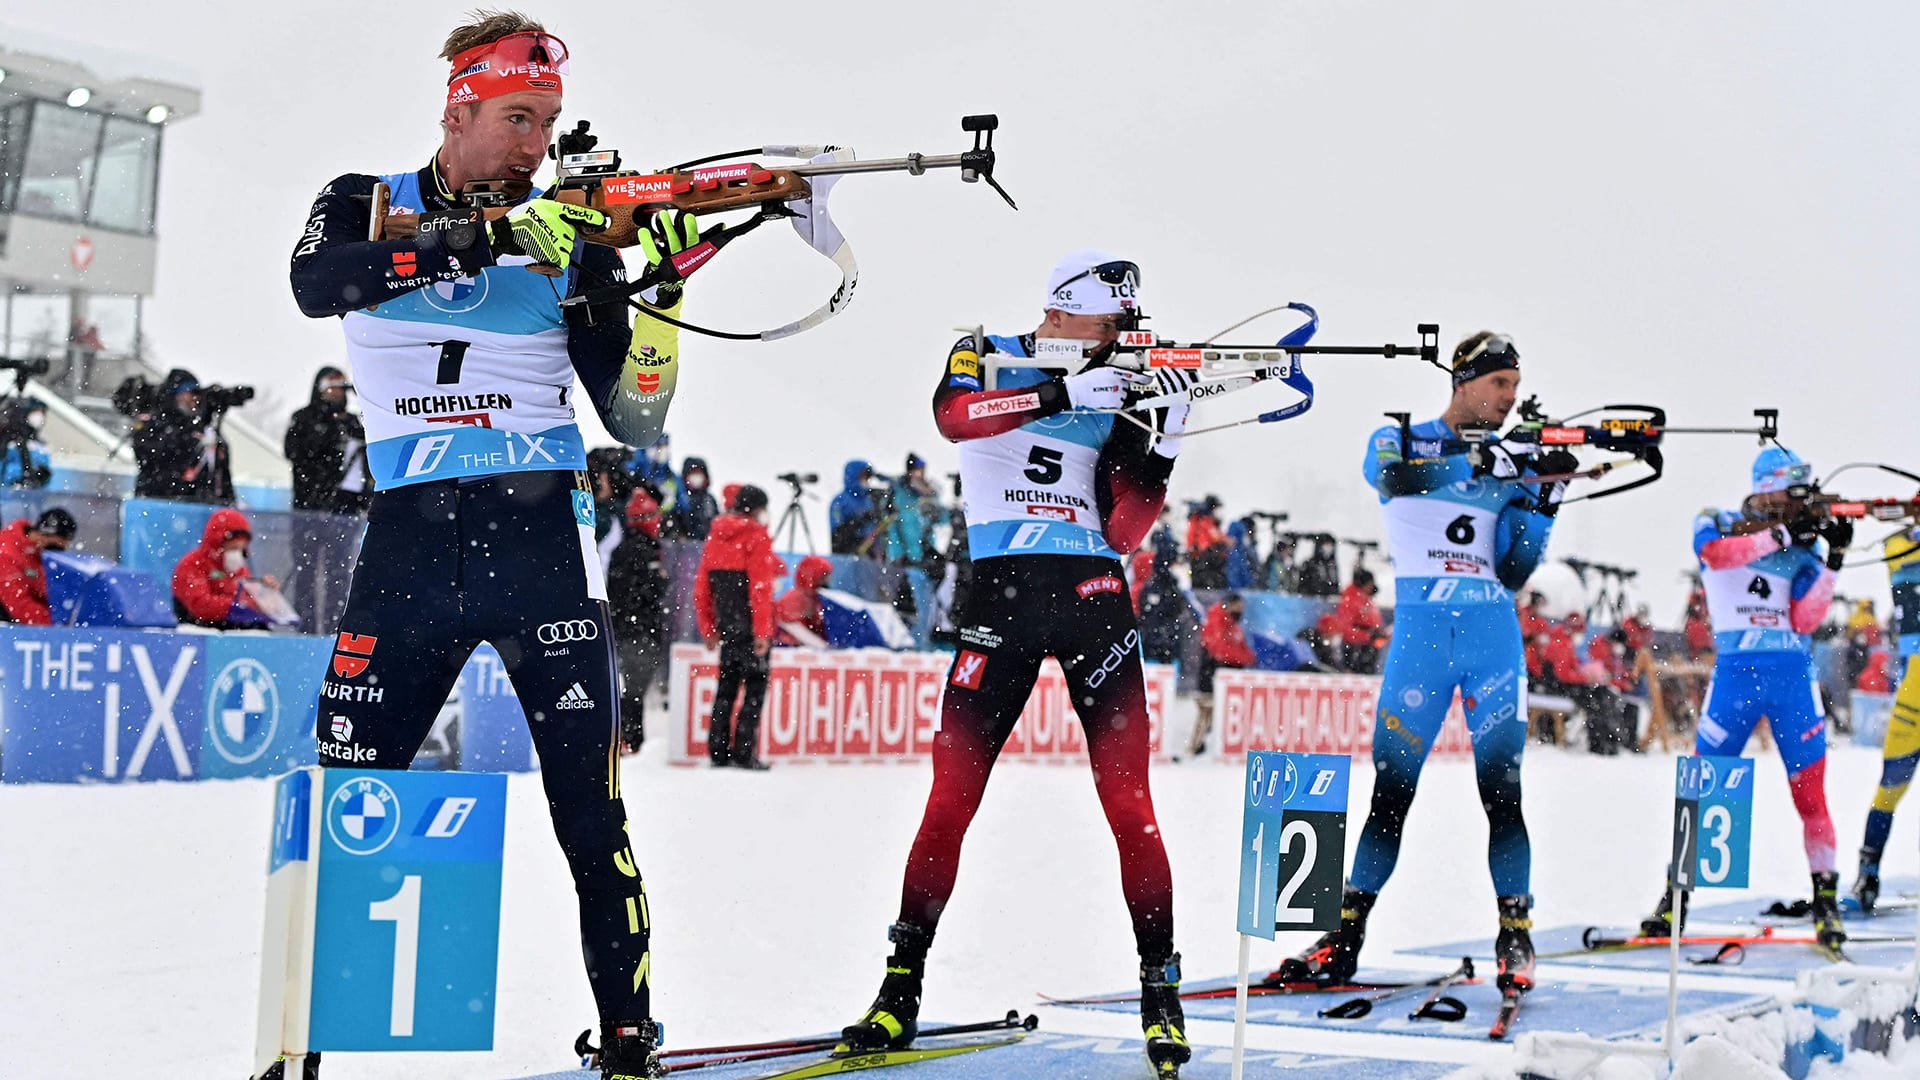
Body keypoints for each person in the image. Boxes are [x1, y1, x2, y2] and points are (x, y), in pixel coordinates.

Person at [285, 11, 696, 1073]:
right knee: (341, 807)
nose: (534, 144)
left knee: (591, 817)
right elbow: (318, 285)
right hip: (408, 555)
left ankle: (629, 1042)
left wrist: (654, 295)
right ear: (457, 110)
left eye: (548, 123)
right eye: (517, 117)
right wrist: (481, 240)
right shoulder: (364, 200)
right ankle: (294, 1051)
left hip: (541, 551)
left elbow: (637, 420)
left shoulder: (572, 237)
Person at [840, 250, 1194, 1078]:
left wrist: (1164, 440)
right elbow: (955, 418)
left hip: (1095, 597)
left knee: (1130, 804)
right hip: (1002, 600)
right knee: (950, 799)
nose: (1116, 338)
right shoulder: (984, 349)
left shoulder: (1122, 382)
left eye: (1125, 327)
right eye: (1107, 323)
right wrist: (1062, 394)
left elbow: (1126, 528)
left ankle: (1161, 991)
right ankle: (899, 988)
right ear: (1062, 310)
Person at [1271, 331, 1570, 1007]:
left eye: (1515, 389)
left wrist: (1543, 498)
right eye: (1499, 385)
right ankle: (1344, 935)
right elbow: (1397, 480)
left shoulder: (1511, 464)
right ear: (1463, 381)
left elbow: (1515, 569)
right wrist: (1481, 459)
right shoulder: (1399, 439)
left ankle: (1515, 935)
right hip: (1422, 644)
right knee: (1390, 795)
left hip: (1491, 640)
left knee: (1503, 794)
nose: (1508, 399)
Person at [1636, 447, 1850, 953]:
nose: (1797, 507)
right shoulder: (1717, 520)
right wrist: (1782, 535)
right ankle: (1675, 900)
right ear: (1768, 489)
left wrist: (1833, 561)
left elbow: (1806, 620)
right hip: (1736, 677)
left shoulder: (1804, 549)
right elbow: (1715, 555)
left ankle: (1826, 900)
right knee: (1703, 788)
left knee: (1811, 797)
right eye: (1790, 496)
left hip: (1791, 680)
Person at [1850, 523, 1920, 912]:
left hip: (1913, 696)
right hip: (1913, 698)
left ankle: (1868, 872)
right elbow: (1898, 543)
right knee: (1889, 790)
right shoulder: (1901, 545)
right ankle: (1868, 872)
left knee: (1889, 791)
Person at [694, 484, 781, 769]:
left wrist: (708, 628)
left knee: (726, 688)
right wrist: (762, 632)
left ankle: (717, 751)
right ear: (757, 509)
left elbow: (702, 589)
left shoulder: (715, 535)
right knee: (755, 689)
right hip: (750, 626)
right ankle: (744, 753)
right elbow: (760, 589)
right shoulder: (756, 535)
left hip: (728, 627)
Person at [283, 367, 371, 632]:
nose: (336, 393)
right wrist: (330, 429)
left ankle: (336, 627)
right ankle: (306, 627)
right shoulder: (304, 419)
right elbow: (294, 452)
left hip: (345, 508)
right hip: (310, 508)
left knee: (339, 572)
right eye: (330, 388)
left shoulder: (354, 423)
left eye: (340, 387)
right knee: (306, 571)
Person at [608, 485, 670, 754]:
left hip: (625, 627)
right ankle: (630, 741)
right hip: (640, 629)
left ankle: (627, 739)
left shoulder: (622, 548)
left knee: (631, 687)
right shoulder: (644, 550)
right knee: (634, 689)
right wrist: (661, 580)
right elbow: (650, 590)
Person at [132, 368, 234, 503]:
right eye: (190, 393)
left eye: (198, 394)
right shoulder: (155, 423)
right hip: (157, 502)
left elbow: (220, 473)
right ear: (175, 395)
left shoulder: (204, 430)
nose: (195, 399)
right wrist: (187, 433)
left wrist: (228, 502)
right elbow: (152, 457)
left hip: (198, 505)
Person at [172, 508, 280, 629]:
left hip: (234, 630)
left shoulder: (240, 570)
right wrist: (240, 606)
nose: (237, 554)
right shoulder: (192, 564)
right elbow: (200, 605)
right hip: (201, 631)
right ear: (217, 543)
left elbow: (248, 599)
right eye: (233, 548)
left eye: (242, 549)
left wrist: (264, 593)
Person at [1186, 592, 1255, 757]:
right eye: (1238, 607)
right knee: (1206, 713)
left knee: (1217, 715)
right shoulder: (1216, 621)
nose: (1240, 611)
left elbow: (1244, 651)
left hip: (1223, 677)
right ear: (1229, 605)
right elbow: (1218, 650)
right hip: (1210, 676)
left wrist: (1244, 657)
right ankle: (1195, 748)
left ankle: (1203, 748)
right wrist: (1240, 658)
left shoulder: (1233, 626)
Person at [0, 508, 75, 624]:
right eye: (55, 547)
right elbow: (18, 604)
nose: (55, 554)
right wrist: (55, 622)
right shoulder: (6, 554)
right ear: (44, 535)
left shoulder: (37, 552)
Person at [886, 452, 940, 569]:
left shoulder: (929, 494)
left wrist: (930, 496)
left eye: (923, 471)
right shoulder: (898, 492)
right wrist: (898, 554)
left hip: (925, 554)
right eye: (917, 471)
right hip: (903, 556)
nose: (920, 475)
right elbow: (892, 524)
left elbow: (942, 520)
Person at [1331, 568, 1384, 673]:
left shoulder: (1366, 599)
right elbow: (1346, 628)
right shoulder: (1350, 600)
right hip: (1355, 648)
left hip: (1367, 648)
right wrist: (1367, 636)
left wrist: (1377, 633)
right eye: (1370, 584)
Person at [776, 554, 834, 646]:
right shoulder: (794, 599)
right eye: (823, 576)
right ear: (812, 576)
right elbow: (790, 628)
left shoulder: (817, 597)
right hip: (791, 649)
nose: (827, 580)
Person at [829, 458, 881, 555]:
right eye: (863, 476)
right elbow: (837, 533)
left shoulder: (868, 500)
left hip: (869, 554)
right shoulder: (840, 501)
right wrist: (861, 521)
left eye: (868, 477)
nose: (866, 480)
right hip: (846, 554)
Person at [0, 398, 53, 488]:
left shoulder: (41, 446)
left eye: (42, 413)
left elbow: (47, 475)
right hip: (10, 491)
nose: (39, 417)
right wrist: (22, 474)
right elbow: (4, 469)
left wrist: (41, 476)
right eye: (36, 411)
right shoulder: (10, 443)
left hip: (33, 493)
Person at [667, 456, 719, 540]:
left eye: (699, 473)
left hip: (705, 544)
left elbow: (715, 524)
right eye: (693, 473)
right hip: (682, 546)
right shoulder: (679, 498)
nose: (696, 477)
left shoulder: (709, 499)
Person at [1184, 496, 1228, 589]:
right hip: (1205, 566)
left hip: (1207, 565)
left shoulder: (1208, 522)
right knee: (1206, 590)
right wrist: (1220, 546)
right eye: (1217, 509)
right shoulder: (1204, 522)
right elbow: (1205, 544)